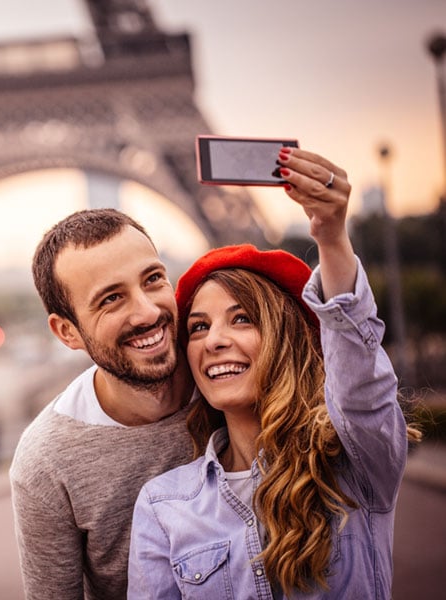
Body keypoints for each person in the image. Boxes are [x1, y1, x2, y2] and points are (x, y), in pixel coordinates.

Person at [127, 147, 419, 599]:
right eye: (198, 327)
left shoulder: (353, 461)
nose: (214, 340)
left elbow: (360, 381)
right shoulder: (163, 505)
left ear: (285, 337)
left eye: (241, 318)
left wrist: (331, 236)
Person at [10, 207, 196, 599]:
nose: (147, 312)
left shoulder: (232, 381)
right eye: (112, 299)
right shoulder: (45, 463)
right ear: (67, 331)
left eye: (154, 279)